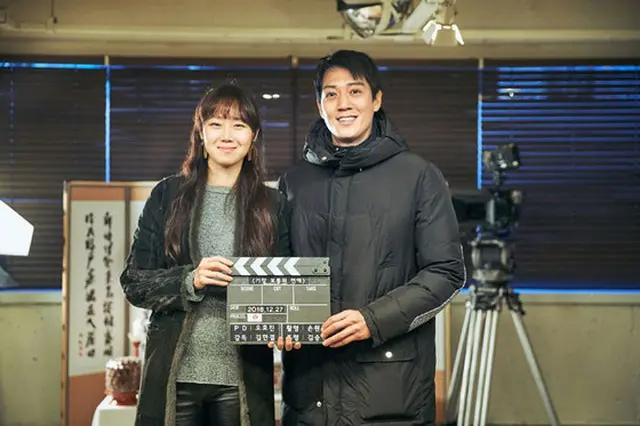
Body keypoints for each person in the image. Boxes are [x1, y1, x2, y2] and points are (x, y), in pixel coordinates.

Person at [276, 49, 466, 425]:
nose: (343, 104)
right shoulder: (294, 182)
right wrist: (280, 319)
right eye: (331, 94)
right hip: (310, 396)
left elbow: (446, 272)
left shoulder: (419, 176)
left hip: (390, 393)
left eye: (355, 91)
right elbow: (281, 271)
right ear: (319, 105)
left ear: (376, 100)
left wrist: (373, 320)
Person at [120, 82, 291, 426]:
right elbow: (134, 282)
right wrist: (190, 280)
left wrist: (286, 326)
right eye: (216, 124)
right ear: (201, 132)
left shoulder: (273, 205)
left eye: (239, 125)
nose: (227, 135)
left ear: (253, 137)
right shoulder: (167, 196)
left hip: (243, 379)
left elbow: (287, 291)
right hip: (174, 376)